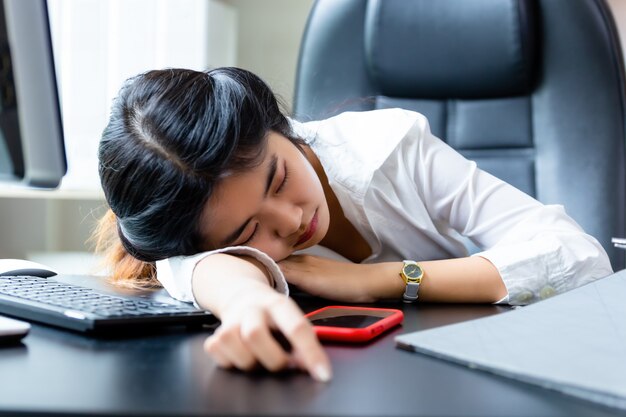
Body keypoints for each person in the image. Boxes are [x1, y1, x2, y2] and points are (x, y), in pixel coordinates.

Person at [94, 67, 613, 383]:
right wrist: (247, 301)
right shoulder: (198, 234)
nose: (293, 221)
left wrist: (378, 280)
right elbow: (187, 266)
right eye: (247, 235)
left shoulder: (390, 150)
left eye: (279, 179)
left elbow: (577, 255)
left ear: (281, 127)